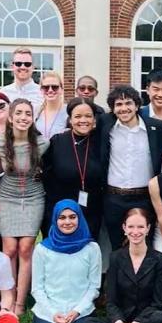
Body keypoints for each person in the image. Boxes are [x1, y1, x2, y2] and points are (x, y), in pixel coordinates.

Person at [0, 98, 49, 315]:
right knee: (9, 250)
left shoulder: (42, 144)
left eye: (27, 113)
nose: (23, 117)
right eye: (19, 113)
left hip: (33, 197)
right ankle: (8, 299)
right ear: (11, 117)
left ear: (32, 118)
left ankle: (19, 304)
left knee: (25, 248)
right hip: (7, 196)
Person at [100, 85, 162, 250]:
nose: (124, 108)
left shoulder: (157, 128)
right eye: (119, 104)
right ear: (112, 108)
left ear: (137, 105)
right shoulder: (105, 125)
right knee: (117, 248)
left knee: (144, 247)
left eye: (128, 103)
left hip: (144, 197)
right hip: (114, 198)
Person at [83, 208, 162, 323]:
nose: (135, 232)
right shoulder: (115, 258)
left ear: (148, 229)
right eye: (131, 227)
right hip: (121, 320)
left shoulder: (160, 260)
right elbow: (111, 301)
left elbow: (157, 304)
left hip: (145, 321)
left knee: (159, 319)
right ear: (124, 228)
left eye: (140, 227)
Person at [32, 199, 102, 323]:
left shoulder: (92, 248)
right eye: (62, 218)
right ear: (55, 220)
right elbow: (37, 288)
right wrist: (52, 312)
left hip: (80, 310)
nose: (67, 222)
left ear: (80, 218)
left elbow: (94, 287)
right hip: (49, 310)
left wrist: (77, 311)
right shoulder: (42, 249)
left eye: (72, 217)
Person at [42, 98, 103, 239]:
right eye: (78, 116)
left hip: (91, 211)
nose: (83, 120)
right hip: (61, 211)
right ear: (70, 119)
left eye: (88, 116)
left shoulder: (101, 142)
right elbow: (46, 174)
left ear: (94, 120)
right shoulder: (57, 141)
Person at [0, 47, 43, 115]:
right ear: (12, 66)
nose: (23, 67)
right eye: (18, 64)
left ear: (33, 67)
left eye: (27, 64)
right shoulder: (4, 92)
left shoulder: (42, 93)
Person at [35, 71, 67, 139]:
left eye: (54, 87)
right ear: (41, 90)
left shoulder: (69, 112)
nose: (50, 90)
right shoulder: (35, 111)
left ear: (61, 89)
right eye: (46, 87)